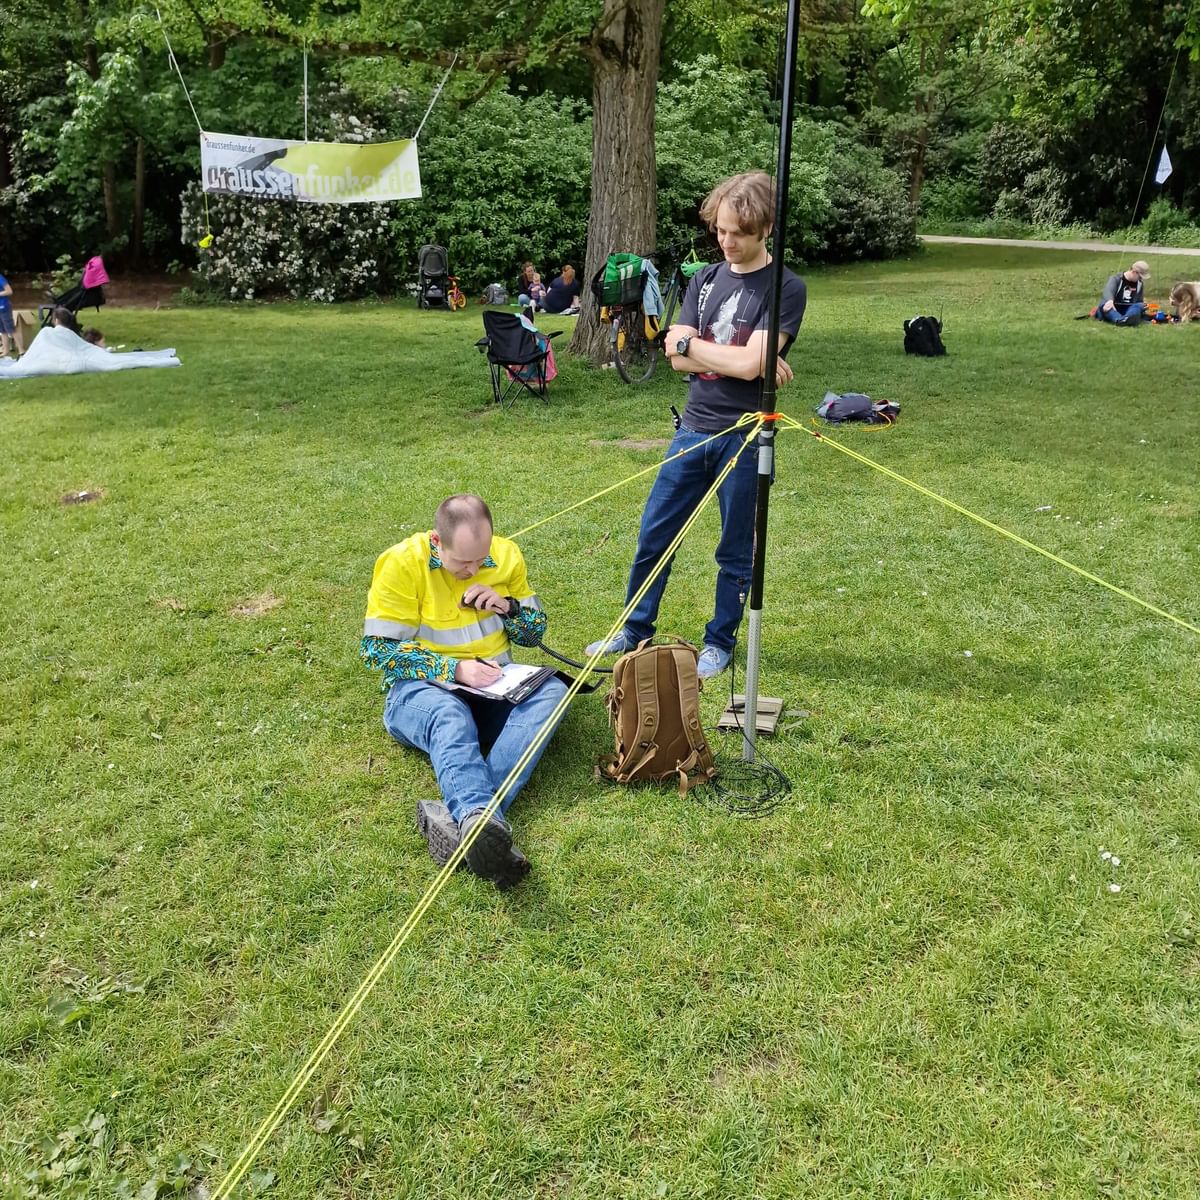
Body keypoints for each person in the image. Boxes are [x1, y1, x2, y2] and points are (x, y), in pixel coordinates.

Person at [583, 170, 807, 678]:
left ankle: (719, 641)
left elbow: (745, 366)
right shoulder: (704, 279)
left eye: (739, 233)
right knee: (655, 535)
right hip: (692, 429)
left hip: (745, 438)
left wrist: (705, 349)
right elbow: (675, 354)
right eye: (721, 231)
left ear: (765, 229)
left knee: (735, 549)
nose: (726, 242)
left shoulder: (785, 288)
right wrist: (727, 356)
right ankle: (634, 629)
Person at [360, 494, 569, 890]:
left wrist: (509, 608)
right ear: (437, 542)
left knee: (554, 690)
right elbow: (377, 650)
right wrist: (454, 669)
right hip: (421, 694)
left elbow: (534, 635)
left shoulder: (506, 556)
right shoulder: (401, 563)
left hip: (495, 688)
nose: (474, 569)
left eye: (481, 559)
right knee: (450, 715)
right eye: (462, 562)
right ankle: (479, 817)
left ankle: (469, 821)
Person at [0, 270, 14, 357]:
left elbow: (9, 291)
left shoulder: (0, 278)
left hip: (4, 306)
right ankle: (6, 351)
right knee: (2, 330)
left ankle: (21, 351)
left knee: (10, 329)